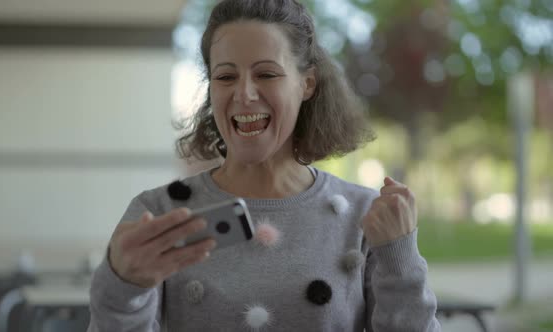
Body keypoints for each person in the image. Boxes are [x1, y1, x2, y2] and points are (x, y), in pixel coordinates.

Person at [88, 0, 441, 331]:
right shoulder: (158, 213)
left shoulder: (362, 216)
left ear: (307, 83)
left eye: (267, 74)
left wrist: (400, 260)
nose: (244, 94)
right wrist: (122, 287)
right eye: (225, 77)